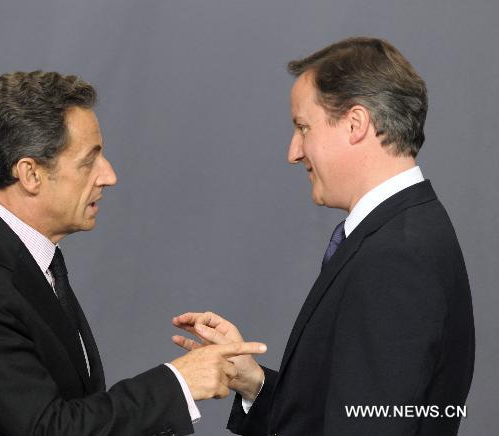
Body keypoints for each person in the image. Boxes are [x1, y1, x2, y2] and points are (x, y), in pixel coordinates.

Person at [0, 71, 267, 435]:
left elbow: (71, 407)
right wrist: (180, 382)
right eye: (89, 161)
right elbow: (49, 429)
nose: (108, 176)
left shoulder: (23, 258)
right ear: (30, 174)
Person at [173, 37, 475, 435]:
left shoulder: (396, 256)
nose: (293, 152)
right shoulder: (402, 232)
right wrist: (256, 384)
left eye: (303, 127)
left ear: (355, 124)